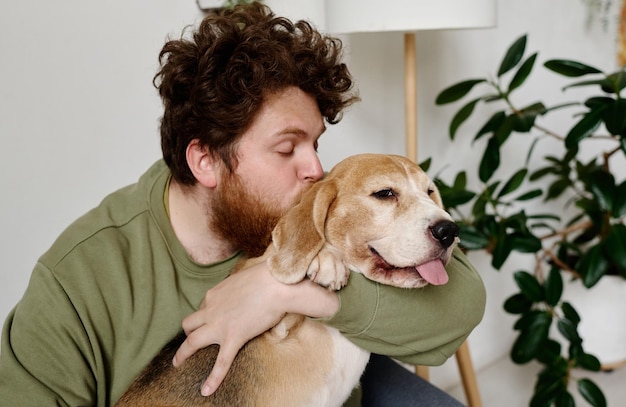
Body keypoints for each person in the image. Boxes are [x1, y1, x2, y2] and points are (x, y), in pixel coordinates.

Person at [0, 3, 485, 406]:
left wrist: (283, 291)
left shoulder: (315, 213)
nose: (314, 168)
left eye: (315, 143)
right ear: (205, 161)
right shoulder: (78, 276)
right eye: (286, 148)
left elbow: (460, 303)